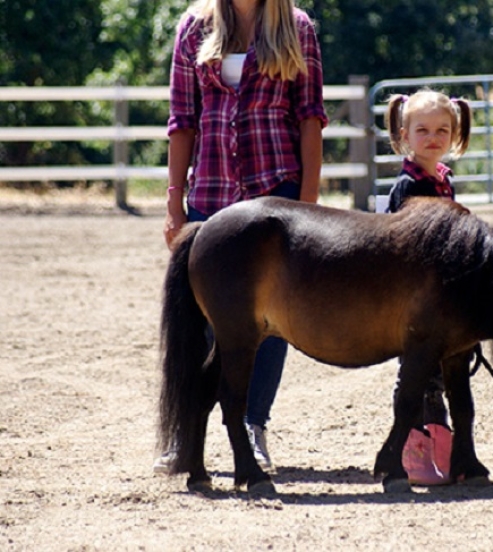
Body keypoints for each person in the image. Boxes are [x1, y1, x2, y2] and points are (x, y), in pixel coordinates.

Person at [154, 0, 328, 474]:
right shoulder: (194, 25)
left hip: (278, 194)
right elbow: (182, 120)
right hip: (211, 194)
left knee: (273, 321)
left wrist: (307, 203)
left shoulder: (297, 28)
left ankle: (253, 423)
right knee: (203, 321)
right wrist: (174, 202)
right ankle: (190, 434)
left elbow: (310, 118)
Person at [383, 89, 472, 484]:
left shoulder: (442, 181)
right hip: (413, 299)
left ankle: (441, 445)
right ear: (404, 135)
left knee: (441, 374)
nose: (433, 138)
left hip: (438, 299)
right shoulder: (408, 185)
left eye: (442, 130)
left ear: (454, 135)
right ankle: (413, 449)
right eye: (423, 130)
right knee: (419, 375)